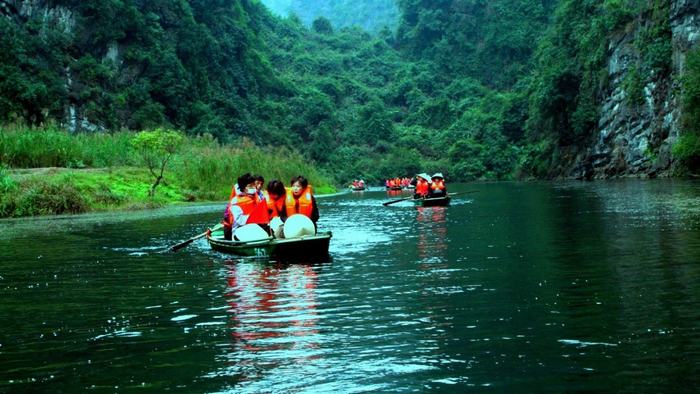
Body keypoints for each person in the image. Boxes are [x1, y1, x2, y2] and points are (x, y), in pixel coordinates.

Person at [222, 173, 270, 240]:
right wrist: (255, 218)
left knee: (268, 229)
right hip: (240, 230)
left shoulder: (258, 198)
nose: (254, 187)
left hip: (255, 227)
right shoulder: (235, 202)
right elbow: (239, 221)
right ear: (244, 188)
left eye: (253, 185)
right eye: (251, 186)